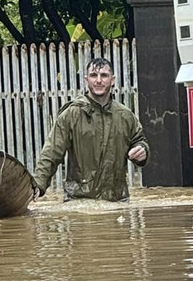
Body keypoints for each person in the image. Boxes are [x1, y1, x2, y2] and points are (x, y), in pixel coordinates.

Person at [33, 58, 149, 202]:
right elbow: (51, 153)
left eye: (104, 75)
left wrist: (142, 150)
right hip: (78, 202)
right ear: (86, 80)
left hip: (117, 202)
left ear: (112, 80)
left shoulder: (125, 116)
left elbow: (140, 141)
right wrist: (38, 185)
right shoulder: (71, 114)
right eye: (94, 75)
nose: (98, 80)